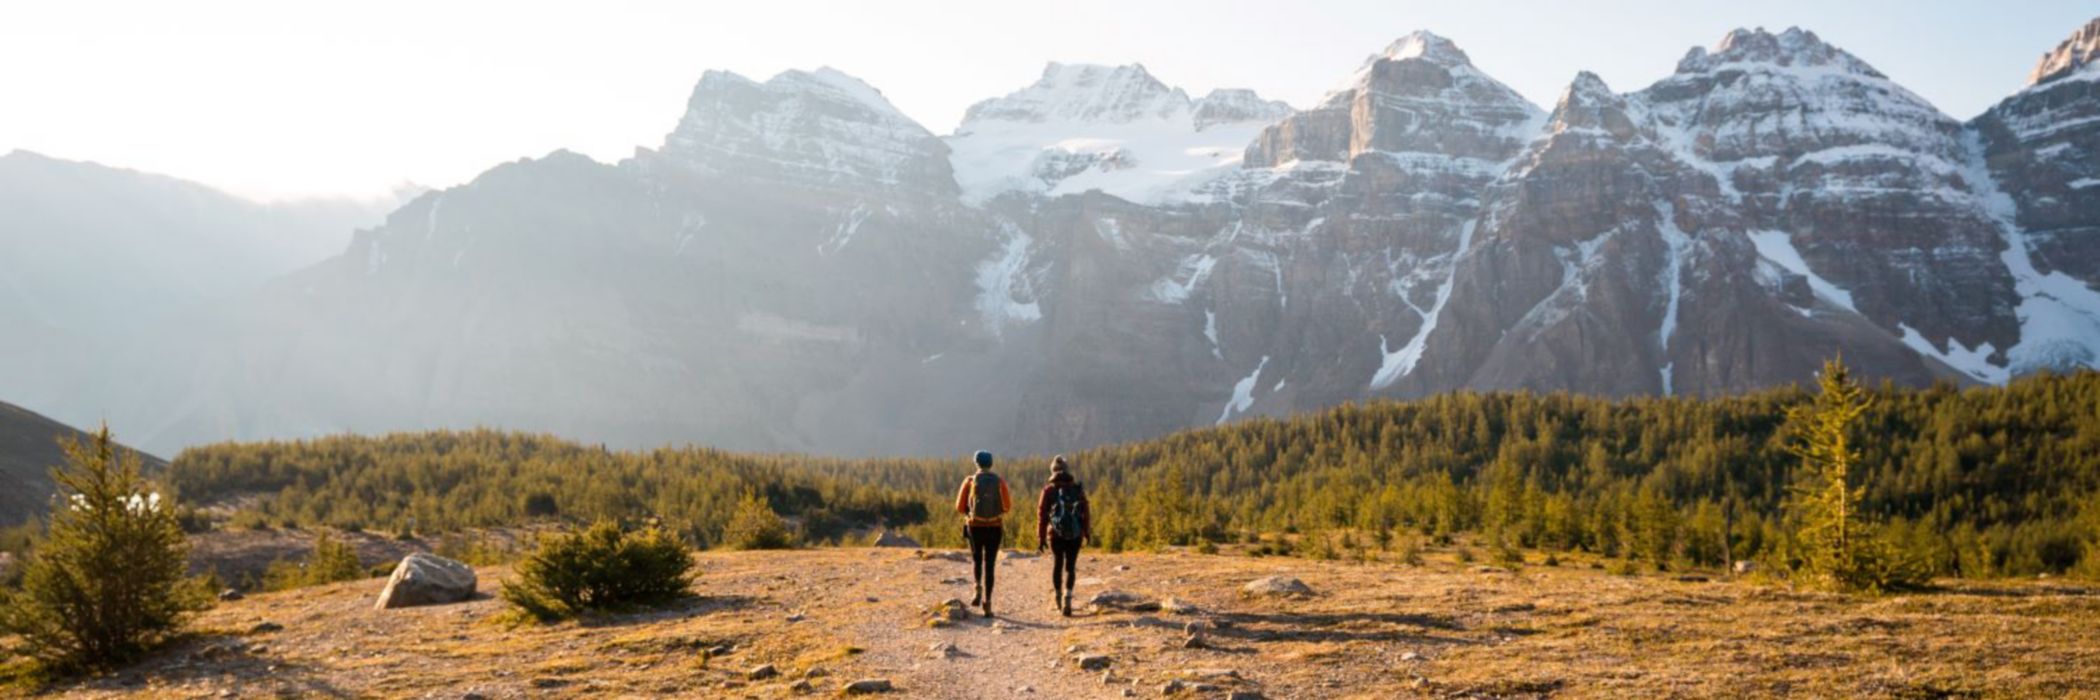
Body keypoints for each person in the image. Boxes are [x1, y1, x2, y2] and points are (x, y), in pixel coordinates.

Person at [953, 450, 1012, 617]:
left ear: (976, 463)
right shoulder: (999, 481)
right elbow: (1007, 507)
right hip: (995, 527)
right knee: (990, 564)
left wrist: (970, 512)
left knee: (977, 559)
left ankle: (977, 587)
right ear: (991, 463)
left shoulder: (970, 481)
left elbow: (959, 507)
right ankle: (988, 603)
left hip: (974, 526)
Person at [1035, 455, 1091, 616]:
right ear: (1067, 470)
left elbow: (1042, 515)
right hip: (1075, 534)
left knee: (1057, 565)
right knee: (1071, 567)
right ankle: (1068, 598)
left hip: (1055, 534)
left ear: (1052, 471)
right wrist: (1086, 532)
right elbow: (1086, 512)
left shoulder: (1048, 490)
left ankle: (1058, 599)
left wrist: (1041, 537)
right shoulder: (1077, 488)